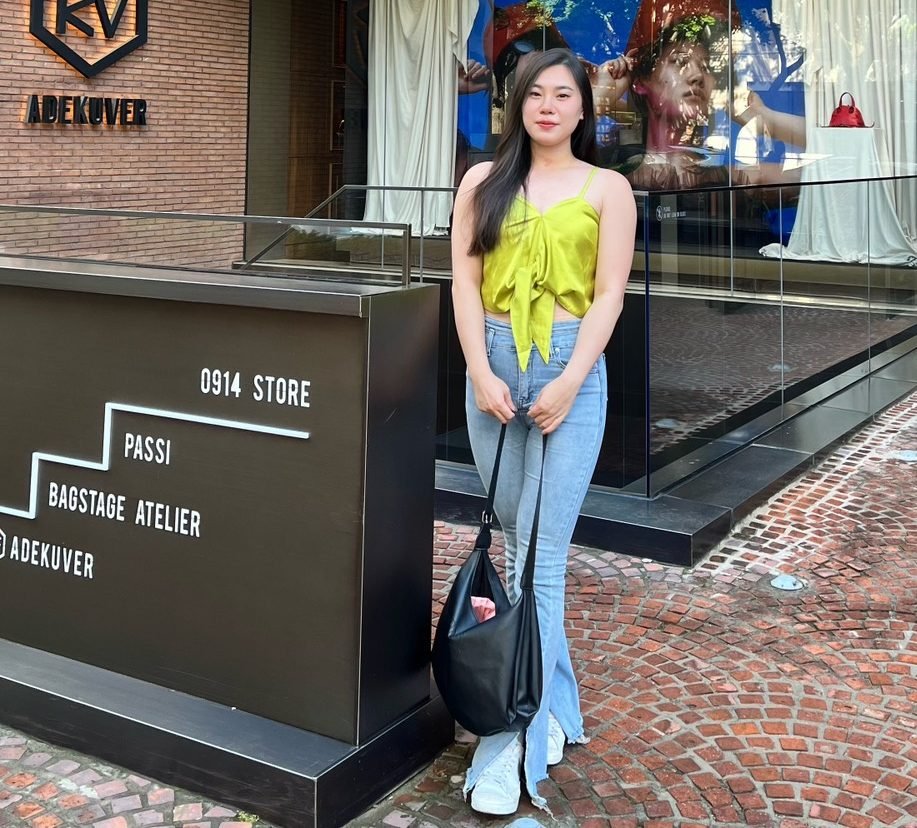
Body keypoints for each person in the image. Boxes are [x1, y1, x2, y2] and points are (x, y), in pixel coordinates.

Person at [450, 48, 636, 815]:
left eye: (562, 94)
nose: (547, 106)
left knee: (539, 559)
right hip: (493, 369)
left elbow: (609, 293)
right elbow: (463, 281)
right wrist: (478, 370)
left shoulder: (608, 188)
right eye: (534, 93)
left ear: (583, 108)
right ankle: (554, 704)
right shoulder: (480, 182)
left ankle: (510, 741)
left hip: (569, 371)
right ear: (515, 105)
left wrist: (567, 380)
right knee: (514, 539)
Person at [590, 0, 805, 189]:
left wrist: (762, 118)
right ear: (641, 81)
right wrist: (601, 98)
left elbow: (822, 170)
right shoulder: (612, 176)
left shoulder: (731, 179)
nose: (697, 76)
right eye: (679, 62)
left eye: (707, 67)